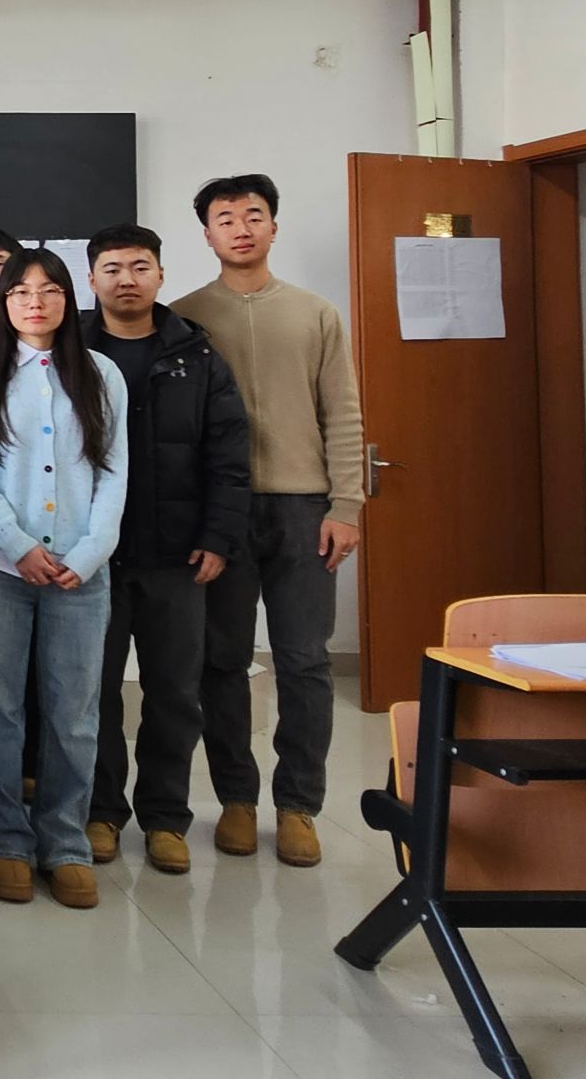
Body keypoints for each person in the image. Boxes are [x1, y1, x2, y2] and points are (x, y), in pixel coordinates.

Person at [172, 174, 363, 869]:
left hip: (302, 508)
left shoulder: (315, 314)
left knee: (305, 661)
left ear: (273, 227)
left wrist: (347, 505)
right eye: (225, 218)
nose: (241, 228)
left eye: (253, 215)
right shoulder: (186, 317)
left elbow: (343, 413)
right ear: (207, 235)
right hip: (219, 513)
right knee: (221, 661)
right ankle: (237, 800)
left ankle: (299, 805)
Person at [0, 248, 127, 910]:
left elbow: (114, 471)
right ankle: (4, 841)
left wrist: (90, 553)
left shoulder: (102, 374)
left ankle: (65, 842)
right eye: (20, 291)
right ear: (3, 302)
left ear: (68, 298)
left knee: (74, 713)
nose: (34, 301)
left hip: (82, 571)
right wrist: (18, 544)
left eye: (49, 290)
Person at [82, 225, 251, 877]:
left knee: (175, 693)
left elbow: (228, 453)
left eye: (139, 266)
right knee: (93, 693)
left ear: (159, 274)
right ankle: (101, 812)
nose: (126, 279)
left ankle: (165, 818)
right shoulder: (71, 353)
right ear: (92, 279)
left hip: (178, 557)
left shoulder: (196, 355)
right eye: (112, 268)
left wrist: (217, 537)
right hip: (94, 558)